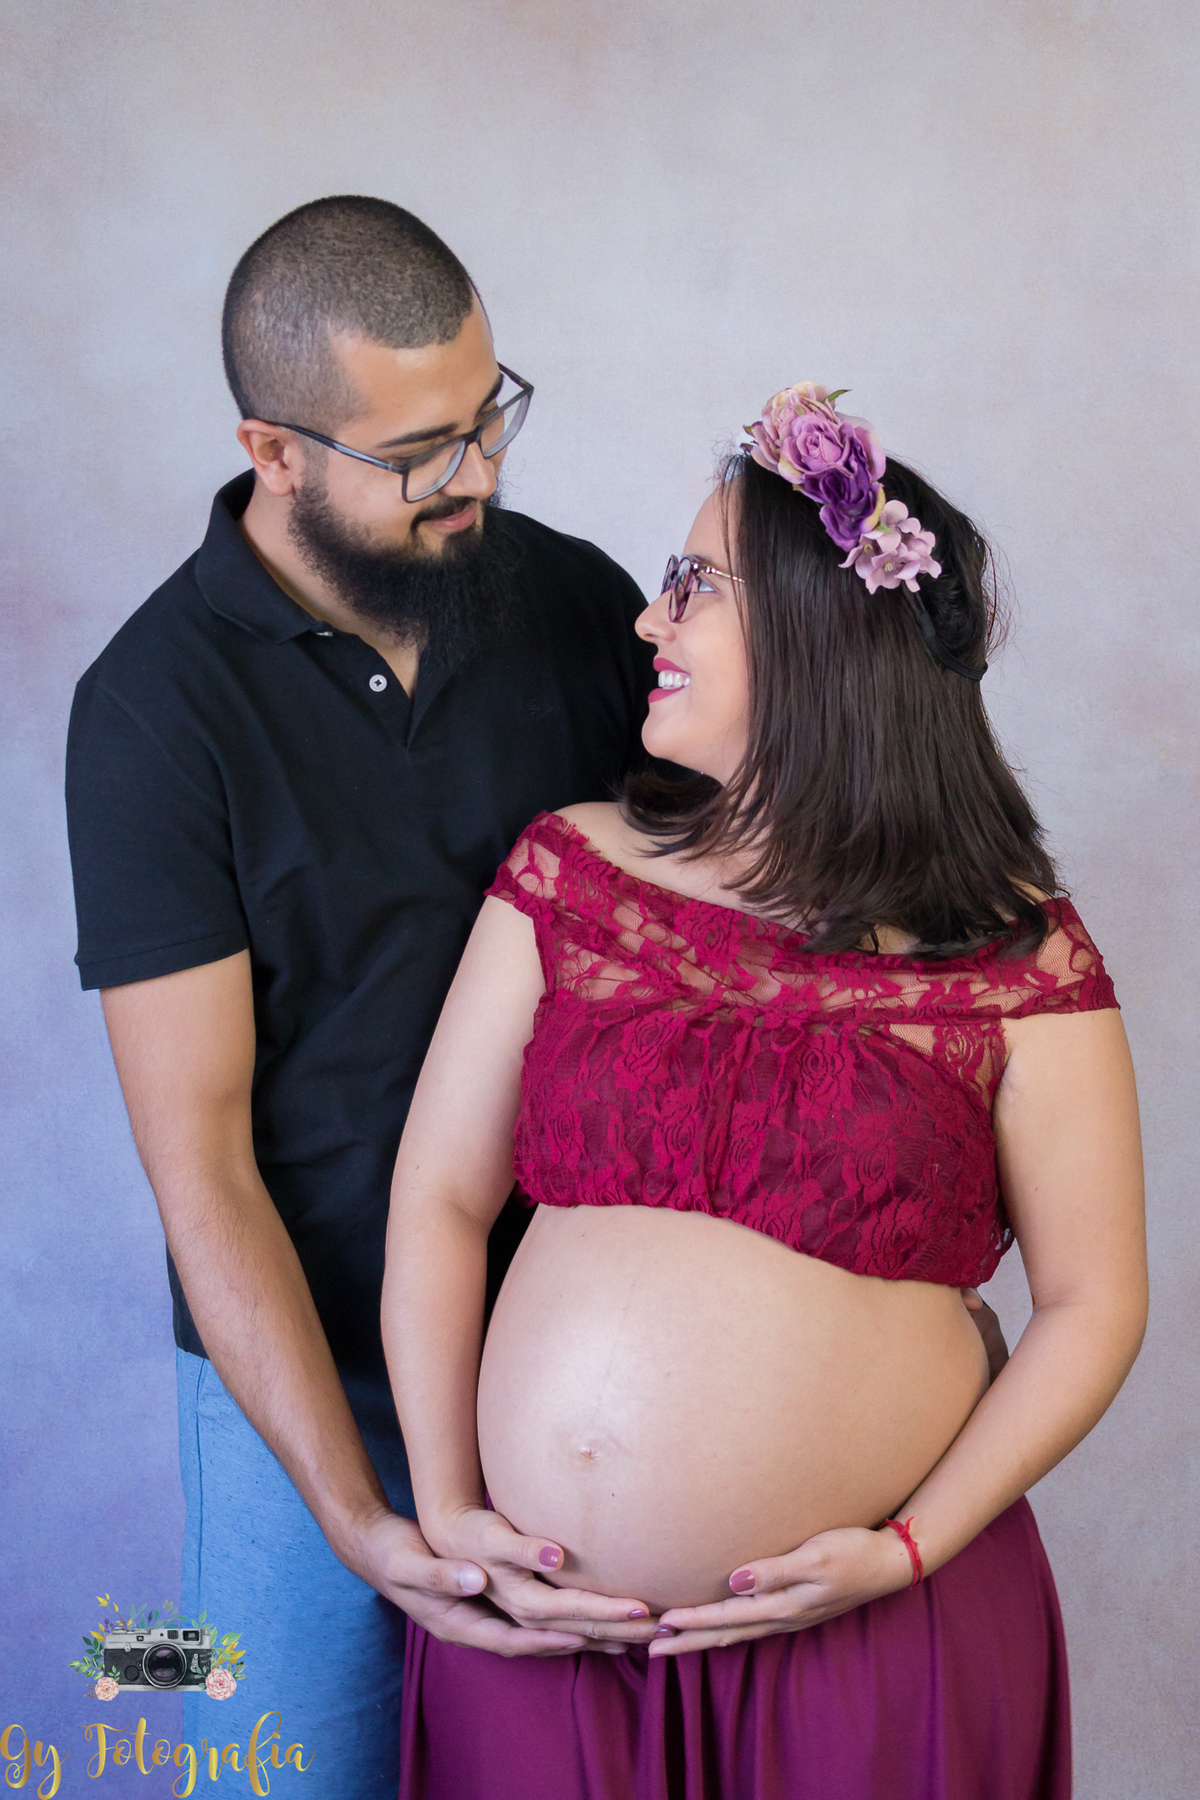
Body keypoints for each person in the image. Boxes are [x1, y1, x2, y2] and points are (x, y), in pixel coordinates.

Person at [383, 383, 1148, 1799]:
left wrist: (908, 1549)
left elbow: (1095, 1303)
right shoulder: (570, 870)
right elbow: (437, 1196)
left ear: (819, 636)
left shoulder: (1019, 959)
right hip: (541, 1633)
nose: (647, 623)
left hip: (861, 1643)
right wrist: (444, 1504)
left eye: (694, 586)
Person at [64, 196, 664, 1797]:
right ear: (273, 451)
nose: (477, 476)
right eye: (418, 454)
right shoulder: (150, 713)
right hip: (310, 1380)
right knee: (263, 1755)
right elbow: (201, 1168)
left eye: (489, 417)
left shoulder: (579, 604)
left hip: (566, 1361)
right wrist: (353, 1515)